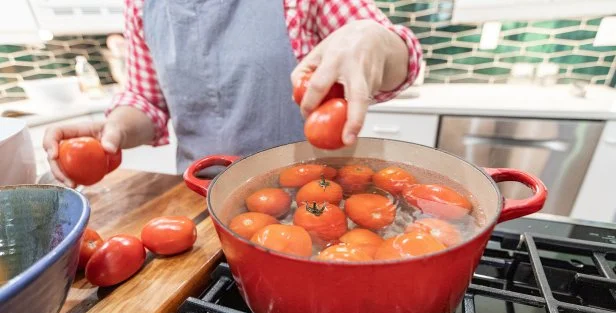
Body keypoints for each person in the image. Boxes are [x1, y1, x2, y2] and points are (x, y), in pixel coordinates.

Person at [44, 0, 423, 187]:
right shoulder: (141, 4)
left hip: (312, 194)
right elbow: (147, 100)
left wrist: (374, 40)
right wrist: (113, 130)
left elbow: (403, 61)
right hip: (202, 195)